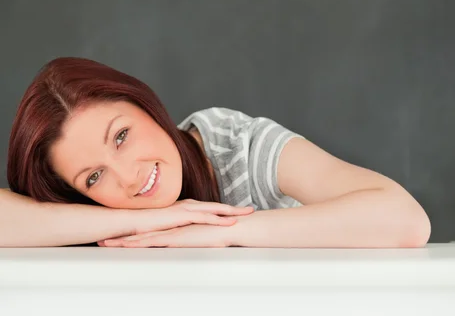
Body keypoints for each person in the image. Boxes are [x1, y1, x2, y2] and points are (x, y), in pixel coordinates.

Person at [1, 56, 431, 249]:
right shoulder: (106, 216)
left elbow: (405, 219)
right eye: (93, 177)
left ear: (146, 106)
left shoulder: (233, 145)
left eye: (121, 136)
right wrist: (142, 218)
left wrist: (223, 231)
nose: (127, 177)